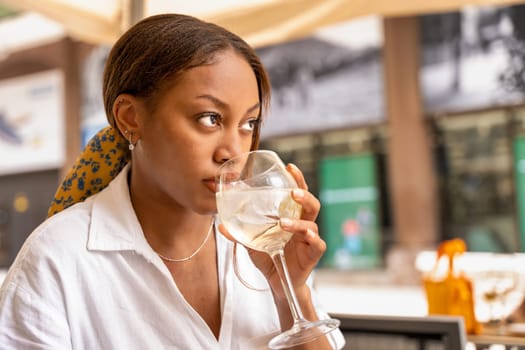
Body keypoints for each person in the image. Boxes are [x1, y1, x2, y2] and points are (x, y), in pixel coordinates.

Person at [0, 13, 344, 349]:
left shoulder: (264, 242)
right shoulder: (57, 260)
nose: (232, 151)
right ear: (130, 118)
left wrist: (290, 293)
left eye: (249, 123)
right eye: (210, 118)